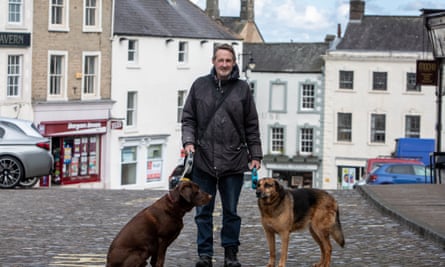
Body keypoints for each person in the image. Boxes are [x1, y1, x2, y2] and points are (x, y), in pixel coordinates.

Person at [182, 43, 263, 267]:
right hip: (204, 160)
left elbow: (251, 125)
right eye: (221, 60)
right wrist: (188, 142)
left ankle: (231, 254)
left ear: (234, 62)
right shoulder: (199, 85)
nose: (224, 64)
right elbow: (188, 118)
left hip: (234, 160)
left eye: (228, 60)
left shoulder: (243, 89)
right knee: (203, 212)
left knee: (231, 212)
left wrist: (255, 154)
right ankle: (204, 255)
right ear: (213, 62)